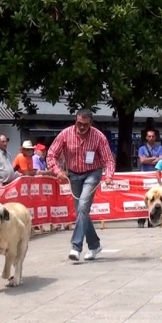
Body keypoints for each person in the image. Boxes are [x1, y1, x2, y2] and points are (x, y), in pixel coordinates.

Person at [46, 110, 115, 261]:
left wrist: (109, 175)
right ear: (75, 121)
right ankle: (94, 244)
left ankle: (76, 247)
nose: (81, 127)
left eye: (85, 124)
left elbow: (108, 159)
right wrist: (58, 171)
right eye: (78, 123)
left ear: (90, 123)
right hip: (73, 174)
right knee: (80, 212)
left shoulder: (98, 137)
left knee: (83, 206)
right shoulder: (65, 134)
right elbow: (51, 154)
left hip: (92, 173)